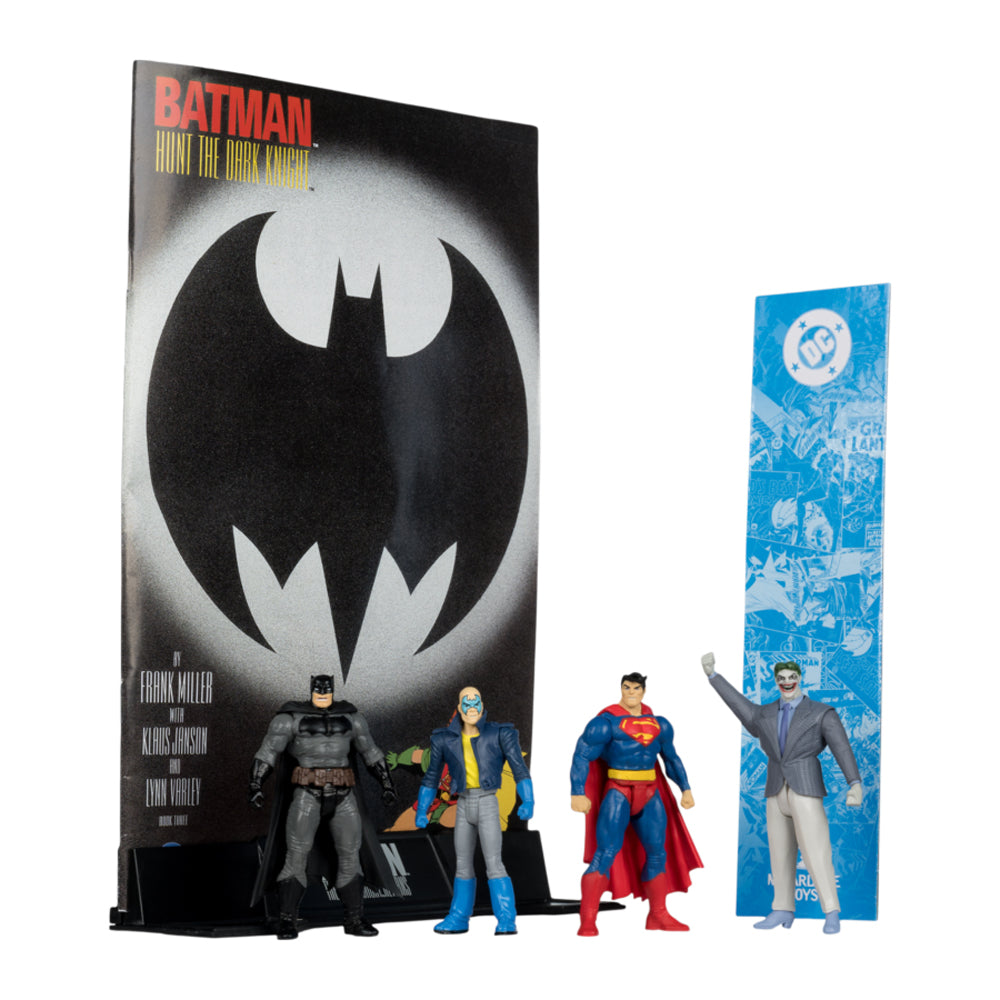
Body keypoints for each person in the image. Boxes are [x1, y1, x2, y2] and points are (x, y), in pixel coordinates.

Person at [701, 652, 862, 934]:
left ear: (800, 679)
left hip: (805, 787)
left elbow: (841, 747)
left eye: (792, 677)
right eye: (781, 678)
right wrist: (713, 676)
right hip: (775, 787)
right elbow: (739, 705)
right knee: (779, 851)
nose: (787, 682)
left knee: (816, 851)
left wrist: (854, 782)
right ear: (776, 681)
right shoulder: (765, 713)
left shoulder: (821, 712)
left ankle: (831, 911)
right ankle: (782, 908)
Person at [249, 674, 396, 939]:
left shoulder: (352, 718)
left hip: (344, 795)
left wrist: (387, 783)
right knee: (296, 854)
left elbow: (371, 752)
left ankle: (354, 919)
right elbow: (268, 752)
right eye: (318, 691)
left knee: (350, 854)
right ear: (311, 689)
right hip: (307, 794)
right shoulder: (289, 719)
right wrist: (256, 784)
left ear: (332, 690)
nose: (322, 694)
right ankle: (287, 920)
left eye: (326, 691)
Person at [570, 673, 701, 936]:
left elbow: (671, 759)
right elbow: (582, 755)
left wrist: (685, 788)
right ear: (621, 689)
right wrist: (577, 792)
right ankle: (588, 920)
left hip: (650, 792)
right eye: (626, 687)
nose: (631, 692)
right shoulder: (605, 723)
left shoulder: (660, 724)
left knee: (657, 853)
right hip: (618, 791)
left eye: (636, 688)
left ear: (643, 691)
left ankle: (658, 915)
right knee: (605, 853)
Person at [416, 686, 533, 934]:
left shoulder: (499, 734)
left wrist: (529, 800)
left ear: (482, 705)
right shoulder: (444, 739)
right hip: (463, 803)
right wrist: (422, 809)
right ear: (459, 708)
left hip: (487, 802)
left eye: (476, 702)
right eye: (466, 704)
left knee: (494, 863)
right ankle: (459, 917)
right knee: (462, 864)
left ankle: (506, 919)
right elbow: (432, 776)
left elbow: (520, 769)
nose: (472, 708)